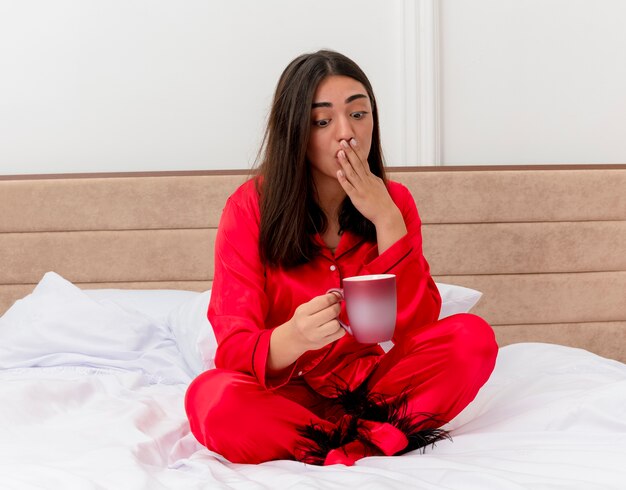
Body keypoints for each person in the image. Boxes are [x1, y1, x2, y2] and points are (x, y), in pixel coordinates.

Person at [185, 49, 498, 466]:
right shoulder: (249, 208)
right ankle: (361, 440)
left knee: (471, 338)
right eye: (322, 121)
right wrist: (294, 336)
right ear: (295, 130)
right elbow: (234, 347)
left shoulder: (396, 202)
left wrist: (386, 219)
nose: (346, 133)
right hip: (284, 394)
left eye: (359, 114)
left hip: (373, 390)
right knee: (211, 399)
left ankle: (342, 440)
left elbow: (418, 326)